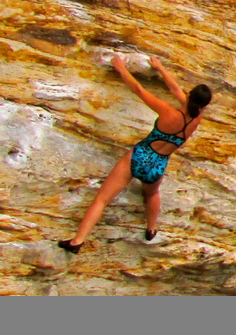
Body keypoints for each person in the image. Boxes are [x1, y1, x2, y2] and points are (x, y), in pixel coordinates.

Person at [56, 55, 212, 253]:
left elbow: (139, 90)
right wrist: (160, 68)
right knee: (152, 193)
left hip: (140, 155)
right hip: (158, 164)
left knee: (102, 200)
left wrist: (122, 69)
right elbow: (176, 91)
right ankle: (151, 228)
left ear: (189, 96)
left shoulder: (167, 112)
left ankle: (77, 241)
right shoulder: (197, 118)